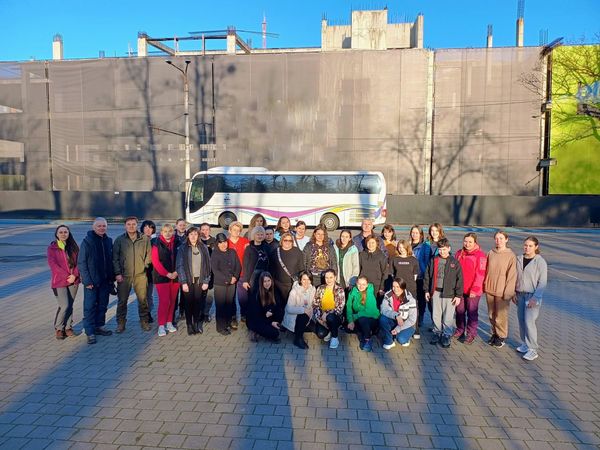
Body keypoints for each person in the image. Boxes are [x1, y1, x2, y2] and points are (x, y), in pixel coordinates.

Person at [77, 217, 114, 345]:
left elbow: (111, 260)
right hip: (91, 282)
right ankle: (90, 332)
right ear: (94, 227)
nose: (102, 228)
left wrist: (111, 278)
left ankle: (99, 326)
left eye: (104, 226)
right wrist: (87, 281)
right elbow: (81, 262)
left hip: (105, 281)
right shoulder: (87, 242)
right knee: (90, 307)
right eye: (99, 226)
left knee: (103, 305)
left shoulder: (109, 241)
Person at [112, 216, 152, 333]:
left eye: (133, 224)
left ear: (137, 225)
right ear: (125, 226)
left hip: (140, 275)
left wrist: (144, 265)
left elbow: (149, 254)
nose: (131, 226)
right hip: (124, 276)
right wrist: (117, 273)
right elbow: (115, 258)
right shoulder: (119, 240)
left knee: (142, 300)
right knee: (122, 301)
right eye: (128, 224)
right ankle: (121, 323)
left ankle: (144, 321)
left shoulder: (144, 239)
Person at [424, 238, 463, 349]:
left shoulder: (454, 262)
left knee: (448, 316)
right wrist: (426, 290)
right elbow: (427, 276)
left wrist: (458, 295)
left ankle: (446, 334)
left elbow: (460, 279)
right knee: (436, 314)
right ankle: (437, 332)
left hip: (449, 294)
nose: (442, 252)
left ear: (449, 249)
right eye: (440, 249)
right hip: (435, 292)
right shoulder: (433, 260)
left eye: (444, 249)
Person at [513, 236, 547, 361]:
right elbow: (514, 277)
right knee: (522, 320)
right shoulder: (519, 259)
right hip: (520, 295)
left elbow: (542, 282)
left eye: (530, 246)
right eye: (525, 245)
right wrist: (513, 292)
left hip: (532, 296)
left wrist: (535, 298)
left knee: (529, 321)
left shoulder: (540, 261)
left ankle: (533, 349)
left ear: (536, 247)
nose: (527, 248)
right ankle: (525, 344)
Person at [483, 230, 517, 349]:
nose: (499, 241)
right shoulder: (490, 253)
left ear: (506, 239)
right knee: (491, 314)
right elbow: (485, 270)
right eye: (497, 238)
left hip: (502, 291)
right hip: (490, 288)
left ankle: (501, 336)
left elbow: (512, 276)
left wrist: (508, 292)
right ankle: (494, 333)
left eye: (501, 238)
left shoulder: (511, 255)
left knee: (500, 316)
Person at [176, 226, 212, 335]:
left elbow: (208, 265)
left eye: (195, 234)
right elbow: (179, 265)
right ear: (188, 235)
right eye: (191, 234)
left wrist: (206, 281)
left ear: (198, 236)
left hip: (199, 280)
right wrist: (183, 282)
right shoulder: (183, 248)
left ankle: (196, 324)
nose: (193, 236)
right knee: (188, 303)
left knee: (197, 302)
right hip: (187, 280)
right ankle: (189, 325)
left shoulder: (203, 247)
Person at [47, 225, 80, 340]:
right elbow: (53, 265)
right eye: (60, 232)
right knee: (64, 305)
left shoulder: (74, 247)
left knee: (70, 304)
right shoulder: (52, 248)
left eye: (65, 232)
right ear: (56, 234)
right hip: (60, 281)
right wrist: (67, 276)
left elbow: (79, 263)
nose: (63, 234)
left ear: (69, 233)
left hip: (73, 280)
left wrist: (74, 275)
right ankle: (59, 328)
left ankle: (68, 327)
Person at [454, 232, 487, 344]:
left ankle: (471, 334)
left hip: (473, 291)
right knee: (459, 311)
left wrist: (475, 289)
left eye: (470, 242)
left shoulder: (480, 255)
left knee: (471, 313)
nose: (467, 244)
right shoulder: (459, 253)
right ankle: (460, 330)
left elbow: (481, 274)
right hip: (460, 289)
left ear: (475, 243)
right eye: (465, 241)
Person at [152, 223, 180, 337]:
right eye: (165, 231)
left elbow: (181, 259)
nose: (168, 233)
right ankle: (161, 325)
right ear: (161, 232)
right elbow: (156, 262)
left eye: (170, 231)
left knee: (172, 301)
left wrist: (176, 272)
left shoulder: (178, 242)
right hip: (162, 277)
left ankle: (169, 323)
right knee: (164, 301)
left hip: (176, 276)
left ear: (173, 232)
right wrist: (167, 274)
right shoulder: (156, 244)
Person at [211, 233, 241, 335]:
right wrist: (228, 279)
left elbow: (238, 266)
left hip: (232, 282)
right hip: (220, 284)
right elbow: (215, 270)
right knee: (221, 306)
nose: (223, 244)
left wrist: (235, 277)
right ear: (217, 244)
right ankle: (220, 327)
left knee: (229, 304)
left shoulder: (232, 252)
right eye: (221, 243)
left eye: (225, 242)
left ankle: (228, 323)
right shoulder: (215, 254)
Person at [379, 278, 418, 349]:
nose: (395, 289)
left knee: (401, 339)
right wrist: (396, 315)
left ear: (403, 287)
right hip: (394, 319)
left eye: (398, 287)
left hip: (407, 324)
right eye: (393, 286)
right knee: (383, 319)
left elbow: (412, 320)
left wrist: (398, 329)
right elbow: (383, 310)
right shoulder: (388, 295)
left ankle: (404, 337)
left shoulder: (410, 299)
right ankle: (389, 341)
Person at [269, 231, 305, 308]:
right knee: (280, 307)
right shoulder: (275, 252)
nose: (288, 242)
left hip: (293, 285)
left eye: (290, 240)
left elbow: (301, 268)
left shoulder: (297, 252)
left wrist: (301, 282)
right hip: (278, 285)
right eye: (285, 240)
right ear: (282, 241)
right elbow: (271, 269)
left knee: (292, 307)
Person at [241, 226, 271, 317]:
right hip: (253, 276)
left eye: (262, 234)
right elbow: (245, 265)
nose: (260, 236)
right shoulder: (249, 248)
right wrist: (245, 280)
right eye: (258, 234)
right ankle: (252, 316)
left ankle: (262, 315)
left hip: (264, 275)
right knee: (253, 297)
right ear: (254, 235)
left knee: (263, 296)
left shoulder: (266, 247)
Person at [313, 269, 345, 349]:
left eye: (331, 277)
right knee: (320, 334)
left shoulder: (339, 290)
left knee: (330, 317)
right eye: (326, 277)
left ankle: (334, 337)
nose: (329, 280)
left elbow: (340, 308)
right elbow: (315, 305)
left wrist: (327, 313)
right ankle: (330, 330)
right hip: (322, 317)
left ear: (335, 278)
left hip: (335, 316)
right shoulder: (320, 288)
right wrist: (320, 319)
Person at [282, 271, 316, 349]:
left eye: (308, 279)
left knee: (319, 331)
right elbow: (289, 309)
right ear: (300, 280)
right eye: (304, 279)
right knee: (303, 317)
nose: (306, 282)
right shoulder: (294, 291)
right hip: (294, 317)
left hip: (308, 315)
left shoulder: (312, 289)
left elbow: (312, 304)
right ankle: (298, 339)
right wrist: (303, 310)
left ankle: (300, 330)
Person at [346, 276, 380, 352]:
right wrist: (350, 320)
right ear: (356, 283)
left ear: (367, 285)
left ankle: (367, 339)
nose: (361, 286)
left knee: (363, 319)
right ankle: (363, 332)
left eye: (363, 284)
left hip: (372, 318)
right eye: (359, 284)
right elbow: (349, 306)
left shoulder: (369, 292)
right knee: (348, 329)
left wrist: (354, 317)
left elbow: (369, 311)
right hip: (359, 316)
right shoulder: (353, 291)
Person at [247, 272, 283, 342]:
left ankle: (268, 328)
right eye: (265, 281)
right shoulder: (256, 294)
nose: (267, 283)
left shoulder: (274, 290)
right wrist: (271, 322)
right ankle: (254, 331)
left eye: (269, 280)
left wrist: (272, 312)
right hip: (256, 319)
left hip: (267, 316)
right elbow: (256, 314)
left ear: (271, 281)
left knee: (280, 313)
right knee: (275, 333)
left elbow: (278, 306)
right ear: (261, 283)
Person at [409, 225, 430, 339]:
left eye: (417, 233)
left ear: (421, 234)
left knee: (421, 300)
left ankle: (420, 317)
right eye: (413, 232)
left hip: (421, 276)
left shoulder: (425, 247)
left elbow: (427, 263)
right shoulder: (407, 244)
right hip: (409, 277)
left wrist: (423, 273)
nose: (414, 235)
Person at [227, 221, 249, 329]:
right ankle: (233, 317)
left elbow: (249, 257)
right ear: (229, 230)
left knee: (243, 297)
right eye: (234, 230)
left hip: (242, 273)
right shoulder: (226, 242)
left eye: (238, 230)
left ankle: (244, 314)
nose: (236, 232)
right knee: (230, 297)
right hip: (230, 274)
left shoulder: (245, 241)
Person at [358, 236, 388, 301]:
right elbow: (358, 270)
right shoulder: (361, 254)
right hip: (363, 285)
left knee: (374, 304)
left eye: (373, 243)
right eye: (369, 242)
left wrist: (382, 287)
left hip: (376, 286)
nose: (370, 244)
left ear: (377, 244)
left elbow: (385, 273)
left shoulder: (381, 256)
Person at [140, 220, 157, 322]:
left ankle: (148, 313)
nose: (148, 229)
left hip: (151, 273)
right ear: (142, 228)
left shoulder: (156, 241)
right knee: (142, 295)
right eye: (146, 227)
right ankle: (143, 314)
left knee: (149, 295)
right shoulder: (138, 240)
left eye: (150, 228)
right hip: (141, 272)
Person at [333, 229, 360, 294]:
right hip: (338, 278)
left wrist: (353, 280)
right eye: (342, 236)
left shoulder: (353, 249)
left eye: (346, 237)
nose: (344, 239)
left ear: (350, 238)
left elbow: (356, 266)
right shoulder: (335, 247)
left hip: (348, 278)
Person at [199, 222, 216, 323]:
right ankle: (199, 313)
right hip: (200, 273)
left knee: (209, 295)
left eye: (207, 230)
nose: (205, 232)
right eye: (203, 230)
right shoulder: (197, 240)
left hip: (211, 273)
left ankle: (206, 313)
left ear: (210, 230)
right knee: (200, 295)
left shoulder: (214, 241)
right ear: (200, 230)